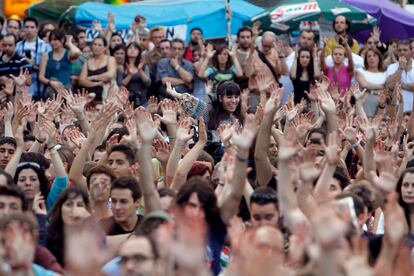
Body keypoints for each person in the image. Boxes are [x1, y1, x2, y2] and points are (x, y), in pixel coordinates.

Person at [46, 186, 92, 266]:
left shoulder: (91, 234)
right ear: (60, 208)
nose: (74, 210)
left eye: (80, 205)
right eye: (69, 204)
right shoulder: (49, 235)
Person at [16, 17, 51, 100]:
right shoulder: (17, 46)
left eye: (32, 27)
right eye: (27, 27)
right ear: (23, 29)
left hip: (42, 90)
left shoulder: (45, 46)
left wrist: (33, 65)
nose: (29, 30)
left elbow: (49, 69)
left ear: (37, 29)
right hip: (23, 90)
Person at [39, 30, 81, 99]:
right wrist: (51, 82)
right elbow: (41, 77)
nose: (52, 42)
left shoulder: (68, 54)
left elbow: (77, 52)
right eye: (51, 40)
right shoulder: (46, 55)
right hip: (51, 91)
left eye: (55, 40)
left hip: (66, 91)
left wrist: (69, 43)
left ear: (62, 40)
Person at [79, 35, 116, 102]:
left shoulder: (110, 59)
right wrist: (97, 84)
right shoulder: (87, 62)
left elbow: (110, 75)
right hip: (89, 97)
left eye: (99, 45)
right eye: (95, 44)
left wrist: (93, 77)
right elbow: (82, 80)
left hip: (106, 97)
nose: (96, 47)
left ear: (105, 47)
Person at [356, 47, 387, 117]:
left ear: (379, 58)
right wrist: (382, 86)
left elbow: (388, 89)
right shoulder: (360, 71)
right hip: (365, 103)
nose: (372, 58)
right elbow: (364, 84)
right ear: (366, 59)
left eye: (374, 56)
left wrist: (372, 89)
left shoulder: (385, 74)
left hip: (381, 105)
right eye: (369, 56)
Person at [386, 40, 414, 112]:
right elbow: (390, 86)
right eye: (399, 50)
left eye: (405, 50)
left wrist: (402, 85)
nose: (402, 52)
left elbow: (396, 84)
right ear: (397, 52)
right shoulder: (391, 67)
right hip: (397, 110)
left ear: (411, 52)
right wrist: (400, 68)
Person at [120, 42, 151, 107]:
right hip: (125, 100)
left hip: (142, 100)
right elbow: (121, 84)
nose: (133, 50)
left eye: (135, 48)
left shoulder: (144, 66)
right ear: (126, 51)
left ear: (139, 52)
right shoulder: (121, 66)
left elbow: (148, 83)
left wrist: (140, 70)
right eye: (130, 48)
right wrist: (130, 75)